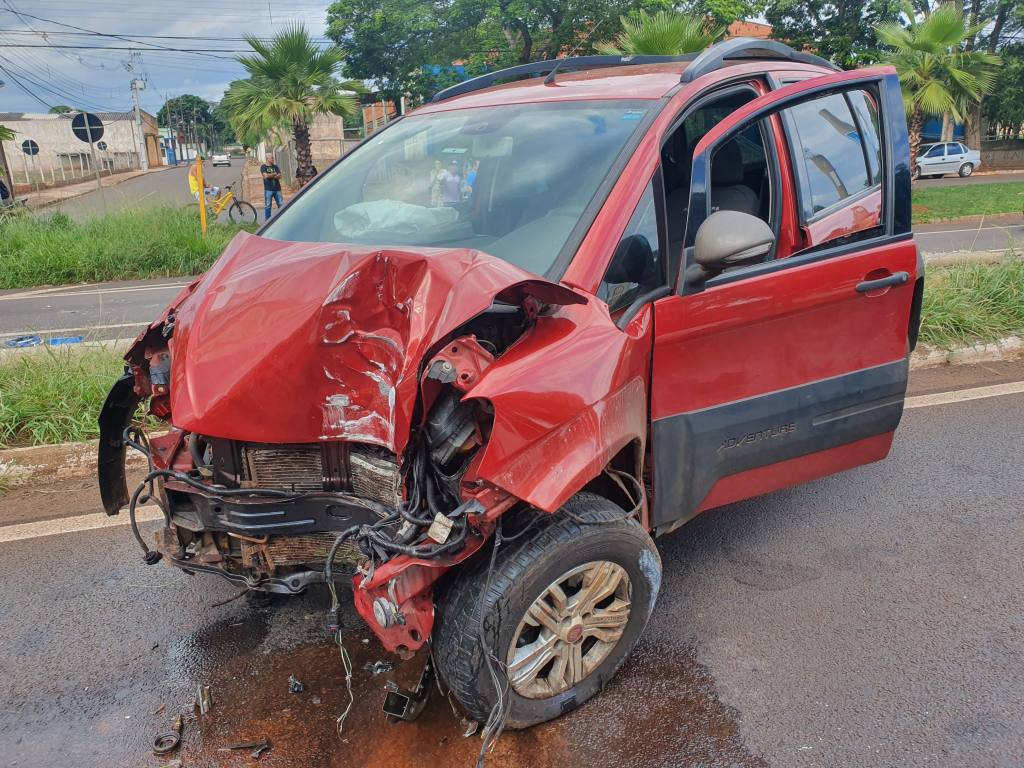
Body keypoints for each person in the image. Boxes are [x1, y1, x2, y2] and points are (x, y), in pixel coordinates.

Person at [261, 154, 284, 220]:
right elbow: (265, 176)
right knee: (268, 206)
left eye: (273, 158)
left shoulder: (275, 166)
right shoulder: (263, 167)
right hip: (268, 189)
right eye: (271, 158)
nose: (273, 159)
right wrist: (274, 174)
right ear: (267, 159)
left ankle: (283, 219)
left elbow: (280, 176)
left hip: (277, 189)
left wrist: (271, 175)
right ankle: (267, 221)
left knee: (281, 205)